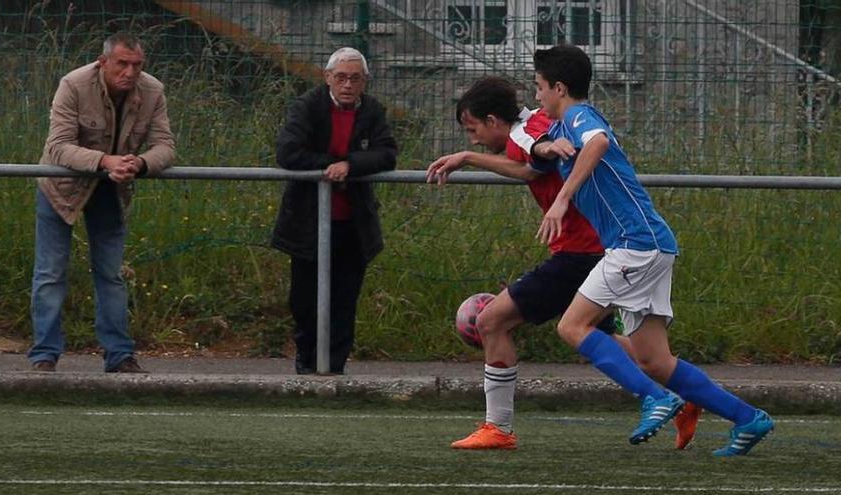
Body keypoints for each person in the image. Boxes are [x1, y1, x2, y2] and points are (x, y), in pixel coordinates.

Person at [426, 77, 700, 451]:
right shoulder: (536, 122)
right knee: (606, 339)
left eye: (472, 130)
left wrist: (478, 157)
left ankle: (498, 428)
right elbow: (531, 166)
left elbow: (531, 156)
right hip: (598, 249)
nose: (472, 140)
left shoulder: (526, 133)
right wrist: (475, 158)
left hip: (579, 254)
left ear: (492, 121)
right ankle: (683, 394)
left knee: (490, 321)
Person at [532, 45, 773, 457]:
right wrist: (543, 149)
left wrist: (562, 197)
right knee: (656, 361)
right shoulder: (560, 128)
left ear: (559, 87)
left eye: (539, 88)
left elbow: (598, 143)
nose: (536, 97)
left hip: (634, 244)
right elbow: (532, 153)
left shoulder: (579, 117)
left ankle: (655, 399)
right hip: (650, 244)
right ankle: (749, 419)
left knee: (572, 327)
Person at [29, 33, 176, 373]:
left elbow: (165, 145)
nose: (130, 72)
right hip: (60, 187)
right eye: (122, 64)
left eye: (137, 65)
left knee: (111, 274)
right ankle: (44, 356)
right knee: (50, 272)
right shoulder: (73, 84)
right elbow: (57, 146)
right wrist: (105, 161)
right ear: (103, 61)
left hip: (112, 188)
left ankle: (120, 355)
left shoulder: (153, 90)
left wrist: (139, 164)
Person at [273, 47, 397, 375]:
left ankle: (335, 369)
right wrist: (330, 166)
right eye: (341, 77)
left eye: (355, 78)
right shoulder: (308, 106)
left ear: (365, 81)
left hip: (353, 224)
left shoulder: (372, 111)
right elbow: (288, 152)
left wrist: (350, 165)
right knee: (304, 299)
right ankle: (307, 362)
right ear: (328, 77)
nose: (347, 84)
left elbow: (387, 154)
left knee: (344, 299)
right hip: (307, 221)